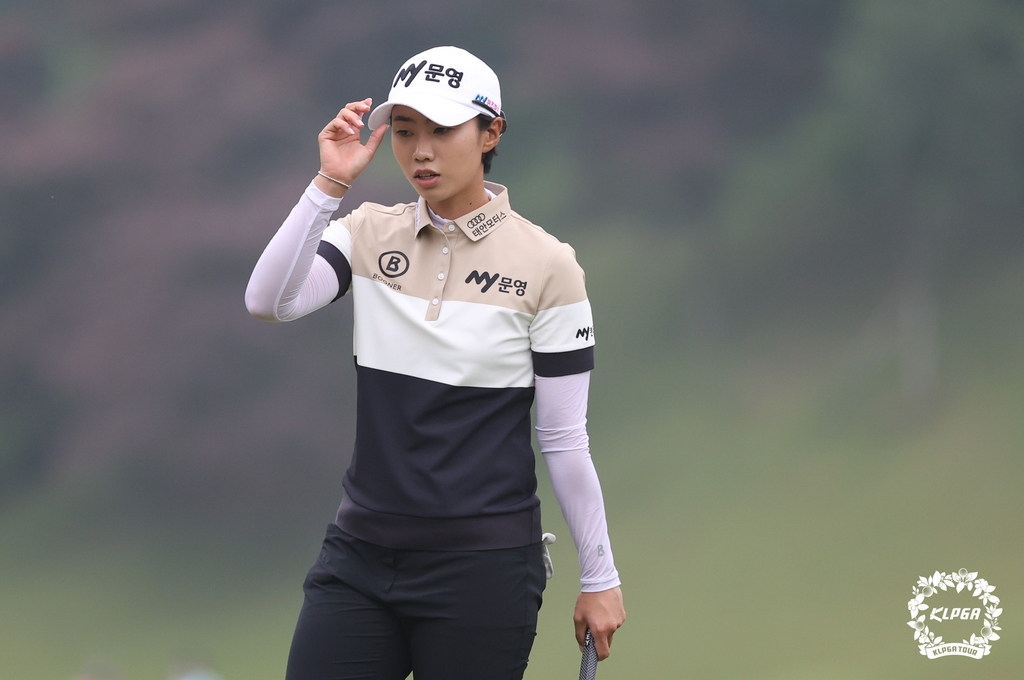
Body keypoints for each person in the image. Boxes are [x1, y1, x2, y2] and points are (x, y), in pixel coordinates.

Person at [245, 45, 625, 680]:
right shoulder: (367, 233)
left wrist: (599, 576)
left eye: (442, 131)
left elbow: (563, 438)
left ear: (490, 133)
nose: (421, 151)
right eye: (404, 131)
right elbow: (269, 301)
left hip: (483, 572)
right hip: (359, 558)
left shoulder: (548, 265)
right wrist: (329, 184)